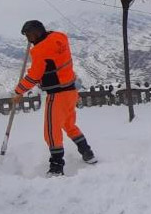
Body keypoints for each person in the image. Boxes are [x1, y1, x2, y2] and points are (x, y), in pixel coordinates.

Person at [11, 20, 96, 176]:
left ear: (37, 32)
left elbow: (34, 76)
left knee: (51, 130)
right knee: (69, 125)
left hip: (57, 94)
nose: (28, 39)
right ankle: (87, 153)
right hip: (71, 91)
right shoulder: (59, 37)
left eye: (29, 35)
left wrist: (18, 91)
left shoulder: (40, 50)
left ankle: (56, 167)